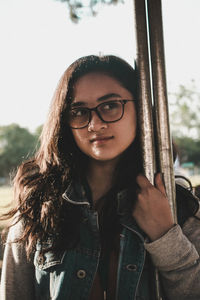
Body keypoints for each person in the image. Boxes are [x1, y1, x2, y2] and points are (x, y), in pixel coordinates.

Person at [1, 55, 200, 300]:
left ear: (140, 110)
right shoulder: (38, 208)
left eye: (110, 105)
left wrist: (164, 237)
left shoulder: (173, 207)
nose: (94, 124)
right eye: (79, 111)